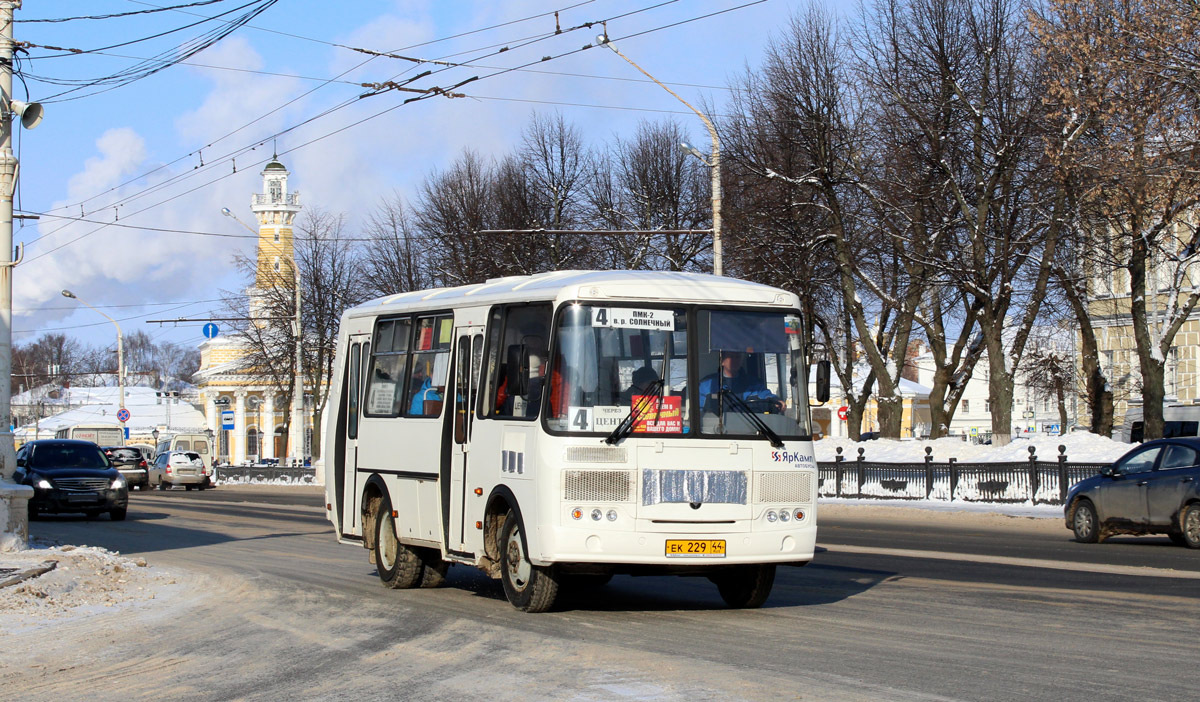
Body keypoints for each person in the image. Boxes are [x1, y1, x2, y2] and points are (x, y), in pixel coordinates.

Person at [697, 351, 783, 413]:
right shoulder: (707, 385)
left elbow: (767, 396)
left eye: (737, 357)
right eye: (731, 357)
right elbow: (698, 413)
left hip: (749, 432)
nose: (735, 360)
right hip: (717, 434)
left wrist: (775, 401)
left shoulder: (754, 384)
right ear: (722, 361)